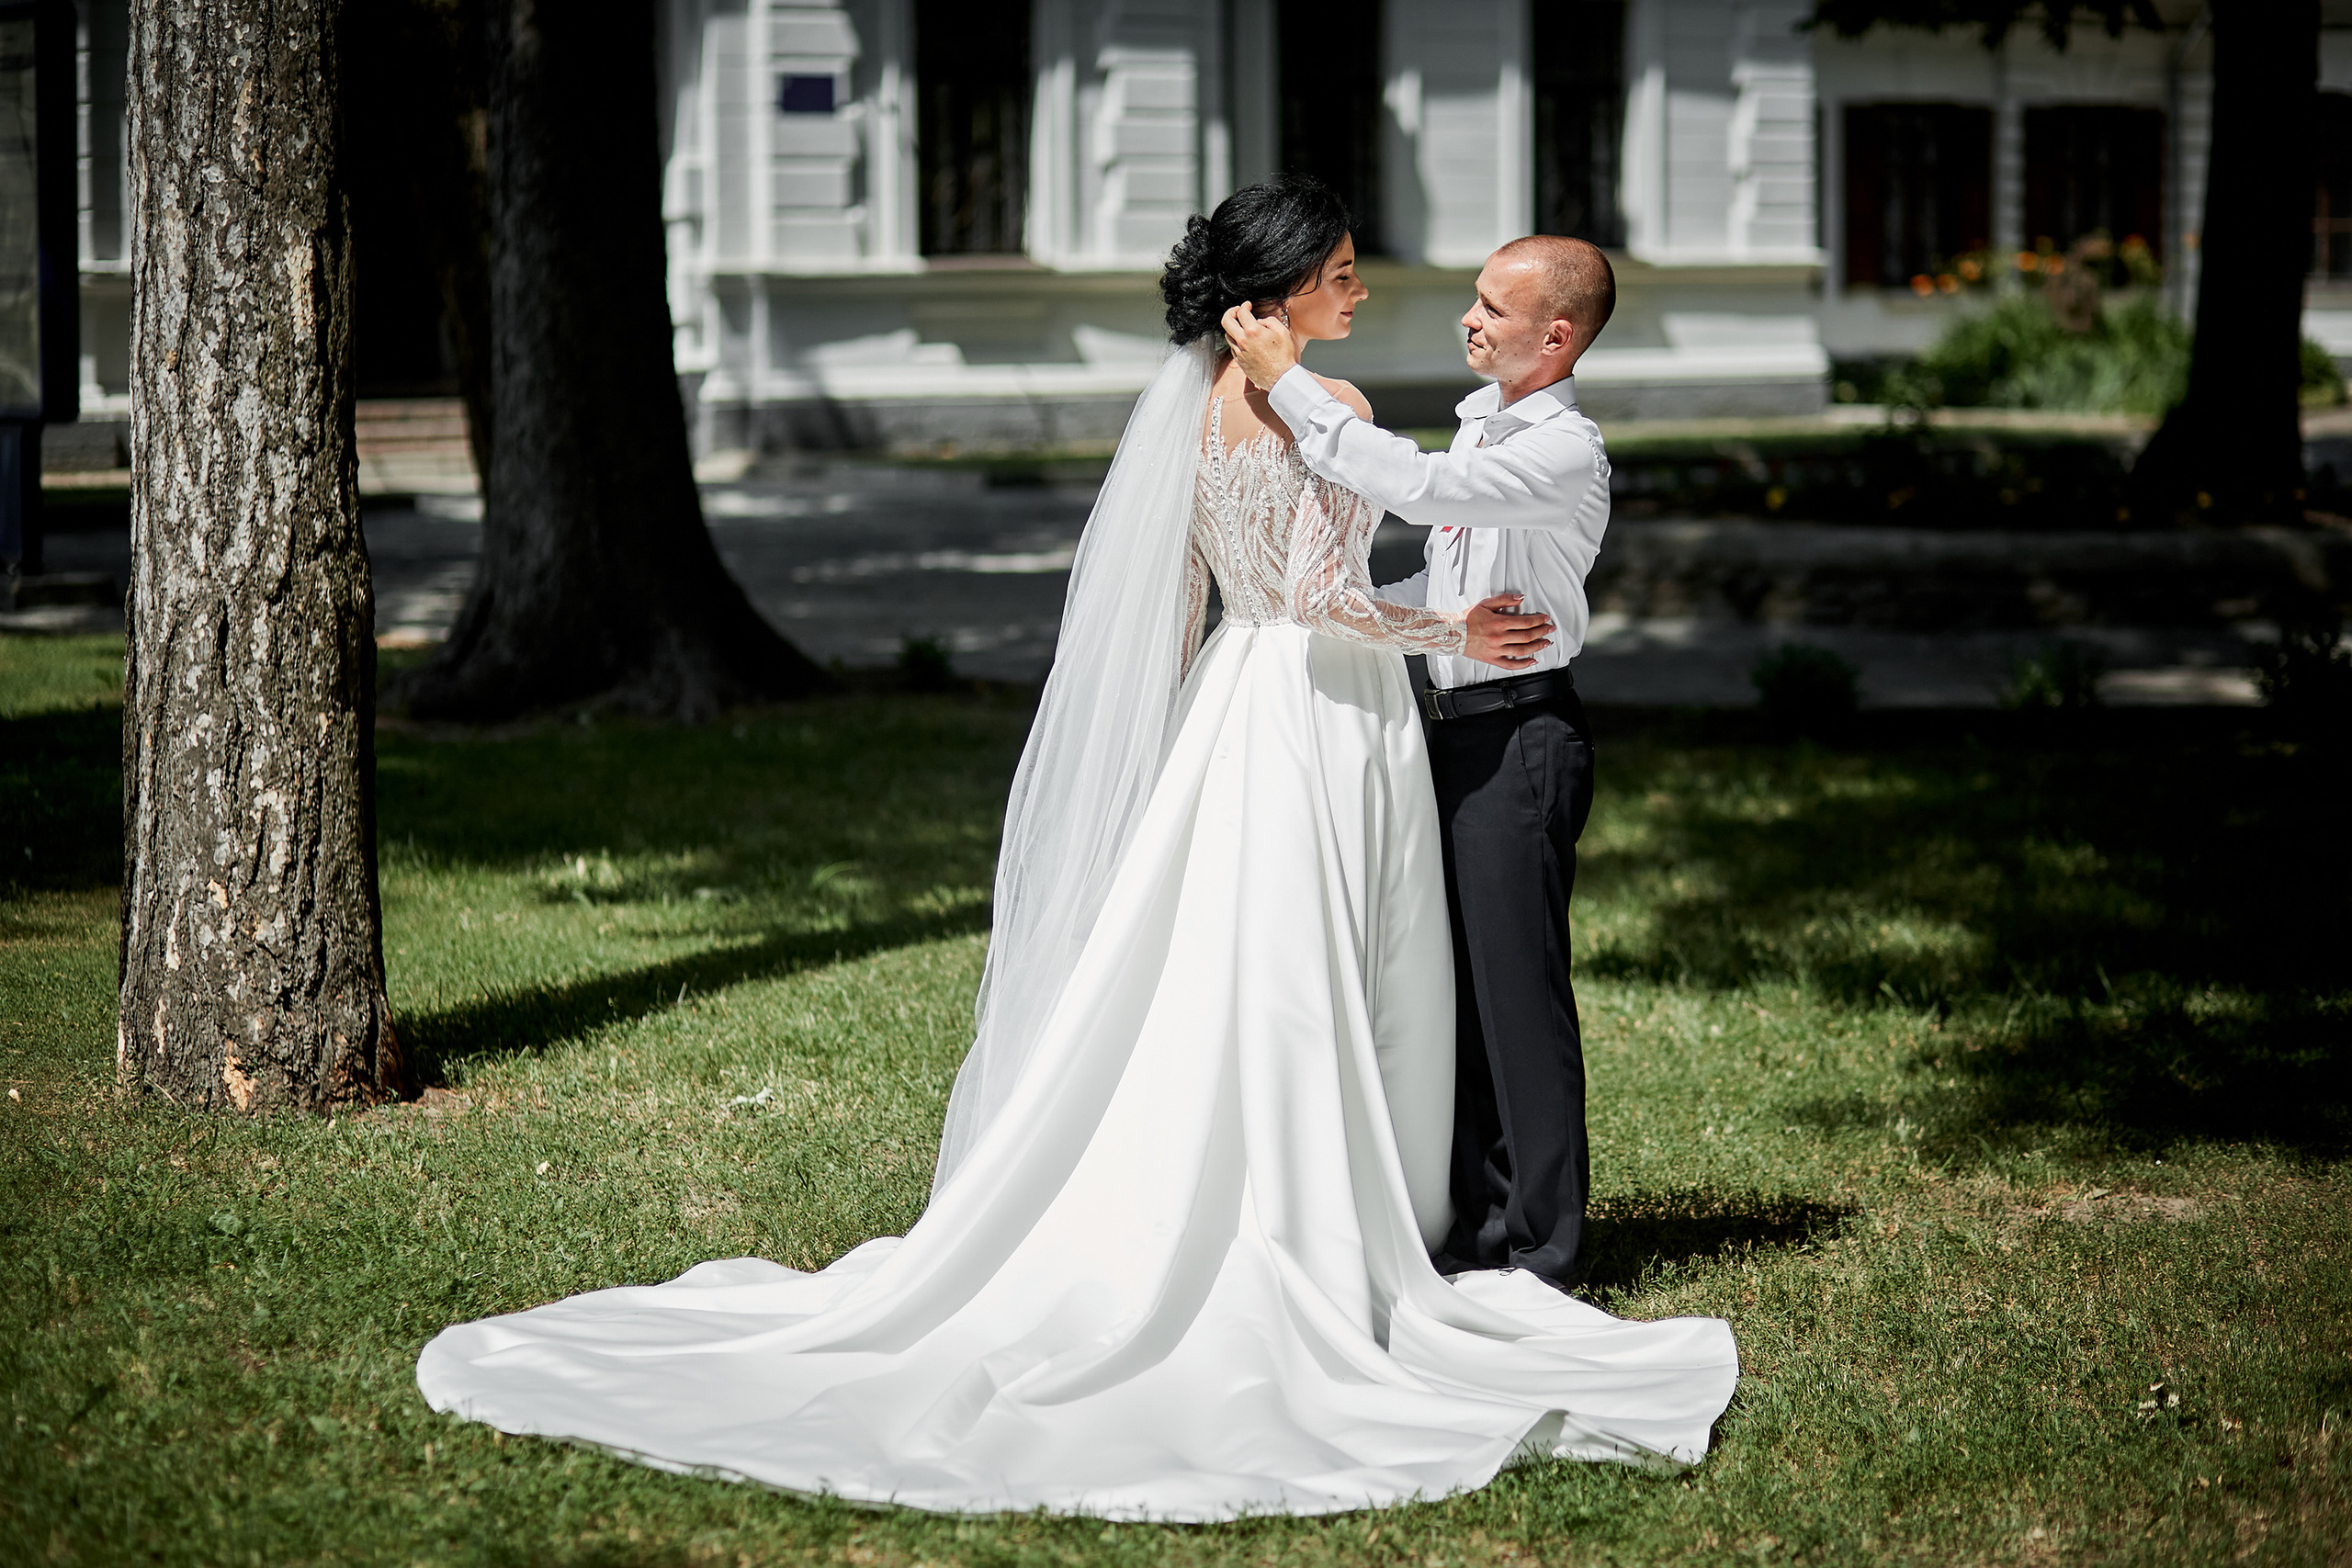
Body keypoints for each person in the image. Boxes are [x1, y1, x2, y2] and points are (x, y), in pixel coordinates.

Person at [416, 181, 1736, 1522]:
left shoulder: (1213, 406)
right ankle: (1349, 1211)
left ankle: (1383, 1209)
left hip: (1248, 701)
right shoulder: (1313, 403)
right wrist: (1444, 627)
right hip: (1319, 708)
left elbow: (1216, 594)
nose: (1369, 290)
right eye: (1341, 273)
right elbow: (1321, 594)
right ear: (1282, 293)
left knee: (1252, 965)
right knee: (1321, 962)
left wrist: (1213, 704)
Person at [1221, 235, 1614, 1293]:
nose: (1468, 320)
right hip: (1440, 728)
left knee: (1517, 997)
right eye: (1474, 300)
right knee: (1457, 993)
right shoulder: (1484, 419)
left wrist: (1289, 385)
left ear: (1555, 337)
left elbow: (1418, 486)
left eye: (1492, 308)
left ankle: (1542, 1250)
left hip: (1517, 736)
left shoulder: (1561, 449)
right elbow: (1436, 580)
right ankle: (1476, 1225)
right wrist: (1312, 607)